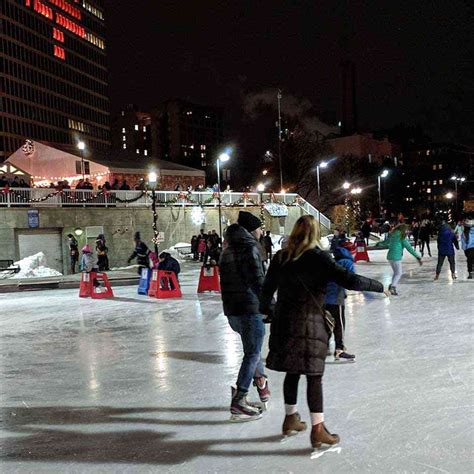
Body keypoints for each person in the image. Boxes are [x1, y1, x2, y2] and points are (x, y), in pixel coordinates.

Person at [259, 215, 386, 448]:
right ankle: (318, 429)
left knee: (292, 371)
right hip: (310, 322)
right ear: (315, 234)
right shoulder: (319, 257)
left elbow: (265, 293)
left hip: (284, 324)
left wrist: (273, 310)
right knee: (314, 375)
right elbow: (348, 280)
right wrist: (377, 286)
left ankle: (290, 419)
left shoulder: (281, 257)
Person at [220, 210, 270, 422]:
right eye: (259, 227)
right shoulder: (250, 248)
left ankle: (261, 384)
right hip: (251, 309)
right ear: (252, 230)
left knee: (253, 349)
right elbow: (257, 281)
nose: (261, 231)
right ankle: (240, 399)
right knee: (252, 352)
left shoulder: (227, 249)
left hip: (233, 310)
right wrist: (269, 305)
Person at [324, 242, 357, 362]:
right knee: (339, 324)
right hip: (335, 298)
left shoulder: (332, 261)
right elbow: (351, 280)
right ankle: (339, 349)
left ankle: (322, 347)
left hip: (323, 297)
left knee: (326, 323)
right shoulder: (347, 262)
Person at [387, 223, 422, 295]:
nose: (407, 231)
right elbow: (409, 248)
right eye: (406, 230)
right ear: (403, 230)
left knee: (396, 272)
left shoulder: (393, 235)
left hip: (390, 256)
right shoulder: (401, 237)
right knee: (399, 273)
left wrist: (379, 243)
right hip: (396, 257)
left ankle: (392, 285)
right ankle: (393, 287)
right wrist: (417, 257)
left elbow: (387, 243)